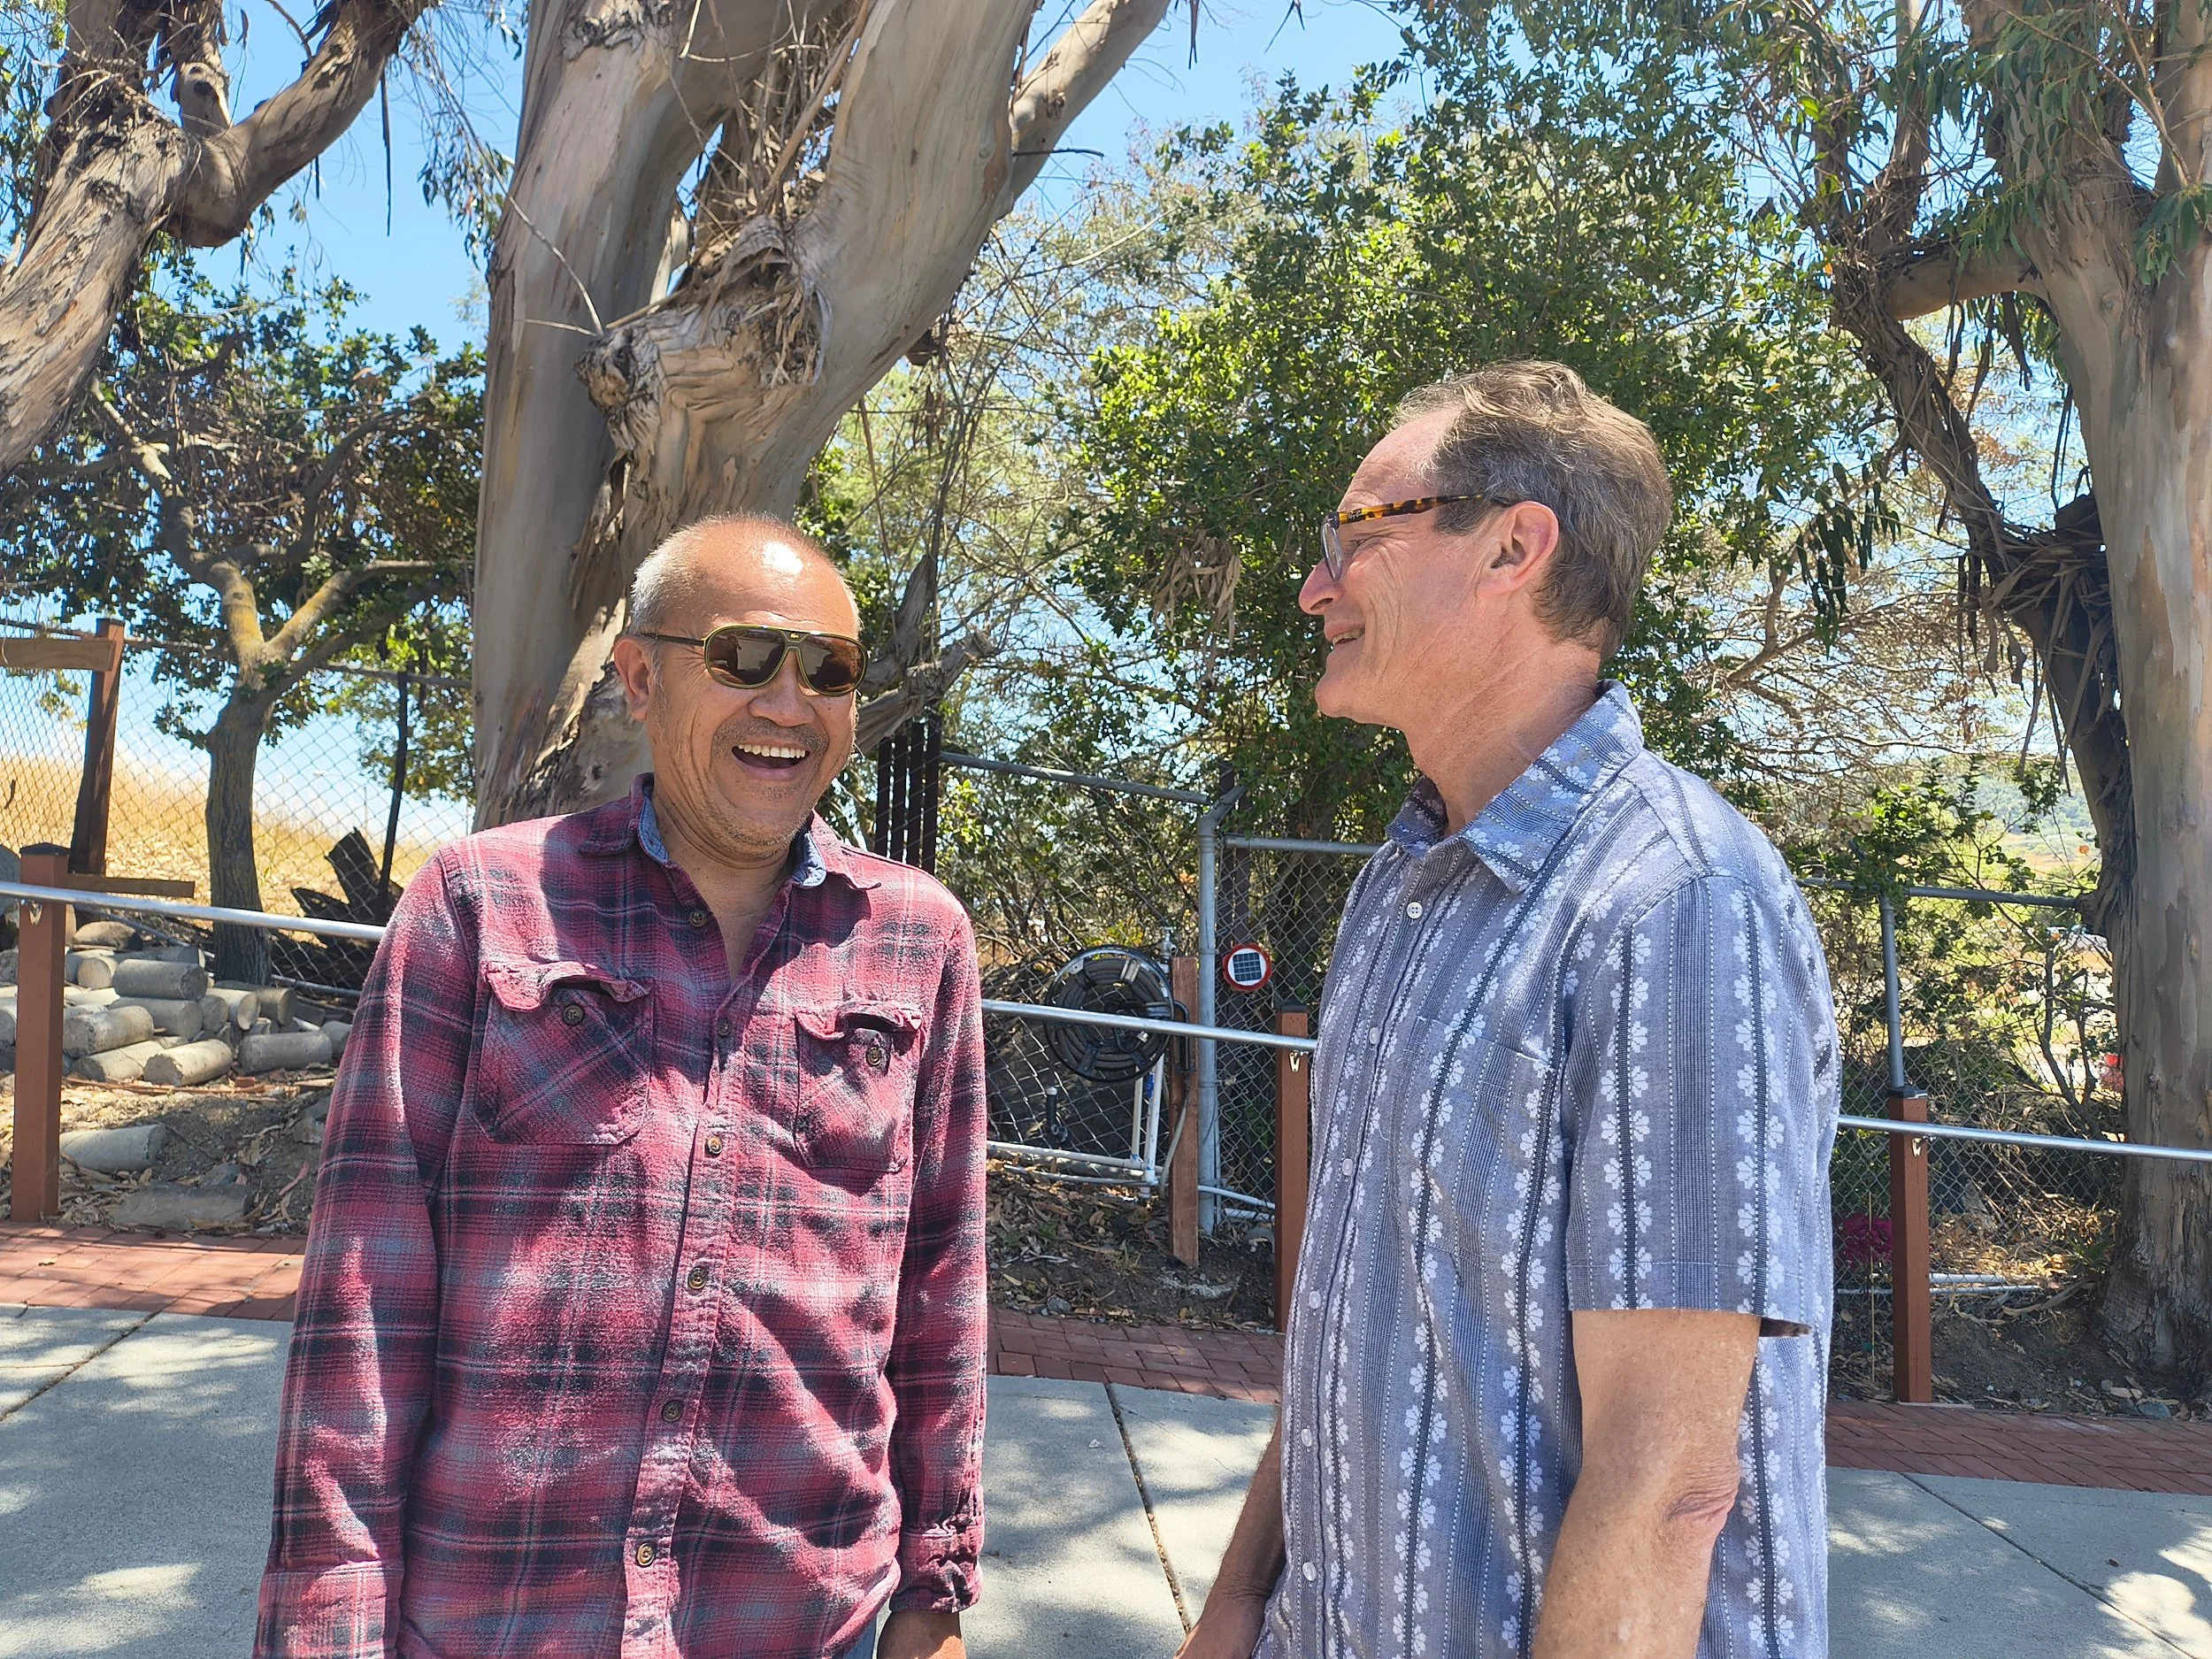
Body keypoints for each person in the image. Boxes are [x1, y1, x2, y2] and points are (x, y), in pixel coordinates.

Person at [1182, 363, 1839, 1659]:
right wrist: (1241, 1603)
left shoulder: (1678, 901)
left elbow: (1668, 1486)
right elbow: (1345, 1319)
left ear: (1512, 548)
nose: (1315, 585)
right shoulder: (1398, 884)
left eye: (1356, 534)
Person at [257, 516, 985, 1659]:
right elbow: (364, 1296)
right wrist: (330, 1622)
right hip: (502, 1620)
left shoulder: (918, 939)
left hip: (801, 1619)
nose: (789, 703)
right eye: (745, 656)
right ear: (640, 677)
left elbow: (943, 1286)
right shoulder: (481, 905)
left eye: (829, 669)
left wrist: (935, 1597)